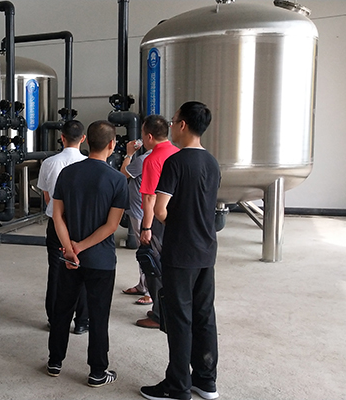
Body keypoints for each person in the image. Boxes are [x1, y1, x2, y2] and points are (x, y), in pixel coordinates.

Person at [139, 101, 220, 400]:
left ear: (183, 125)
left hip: (180, 252)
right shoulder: (212, 162)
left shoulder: (176, 162)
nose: (171, 126)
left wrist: (174, 224)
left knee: (179, 319)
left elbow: (160, 209)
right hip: (206, 250)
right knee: (204, 315)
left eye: (173, 121)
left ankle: (177, 386)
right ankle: (206, 380)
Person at [46, 120, 127, 388]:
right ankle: (97, 372)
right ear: (112, 144)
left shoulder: (67, 174)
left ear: (87, 141)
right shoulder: (117, 180)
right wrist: (81, 246)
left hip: (69, 258)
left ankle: (55, 362)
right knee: (98, 315)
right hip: (101, 260)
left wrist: (70, 249)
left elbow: (57, 216)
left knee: (62, 309)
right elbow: (111, 226)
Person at [36, 120, 89, 334]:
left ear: (62, 137)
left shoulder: (49, 163)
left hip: (56, 224)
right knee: (82, 270)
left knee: (56, 271)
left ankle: (56, 319)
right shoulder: (88, 163)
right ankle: (82, 321)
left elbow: (47, 196)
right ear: (83, 138)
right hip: (82, 225)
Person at [121, 115, 169, 307]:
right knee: (154, 252)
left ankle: (150, 292)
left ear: (149, 136)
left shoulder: (146, 159)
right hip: (163, 213)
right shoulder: (174, 153)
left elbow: (124, 174)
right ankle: (144, 285)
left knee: (149, 253)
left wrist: (128, 154)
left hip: (144, 213)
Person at [135, 114, 178, 329]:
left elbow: (150, 198)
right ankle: (172, 310)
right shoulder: (177, 153)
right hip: (176, 219)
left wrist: (146, 227)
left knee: (152, 264)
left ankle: (160, 315)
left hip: (158, 221)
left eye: (143, 134)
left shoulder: (152, 159)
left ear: (149, 136)